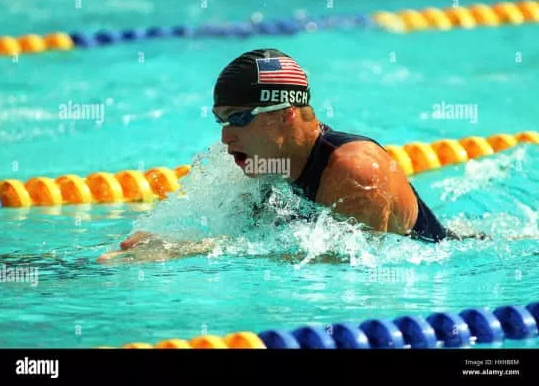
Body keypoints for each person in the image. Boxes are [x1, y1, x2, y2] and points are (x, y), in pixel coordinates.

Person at [98, 48, 468, 264]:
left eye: (238, 119)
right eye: (221, 121)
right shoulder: (261, 162)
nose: (225, 136)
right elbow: (238, 234)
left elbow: (349, 265)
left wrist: (183, 252)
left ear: (285, 114)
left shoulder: (355, 170)